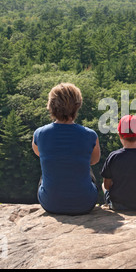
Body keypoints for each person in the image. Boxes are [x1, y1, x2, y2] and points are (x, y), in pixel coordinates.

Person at [32, 83, 100, 215]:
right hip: (85, 203)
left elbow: (39, 153)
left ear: (51, 106)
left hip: (50, 203)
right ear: (77, 106)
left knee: (46, 172)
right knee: (87, 167)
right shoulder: (90, 135)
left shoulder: (39, 133)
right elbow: (94, 160)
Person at [100, 114, 136, 211]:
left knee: (103, 185)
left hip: (118, 204)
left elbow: (107, 185)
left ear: (119, 134)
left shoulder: (113, 157)